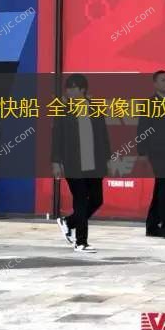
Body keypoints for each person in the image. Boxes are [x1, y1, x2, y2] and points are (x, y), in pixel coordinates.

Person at [52, 74, 111, 253]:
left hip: (94, 163)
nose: (69, 91)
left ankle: (69, 222)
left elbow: (103, 136)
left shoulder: (94, 108)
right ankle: (81, 242)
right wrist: (55, 161)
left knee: (97, 200)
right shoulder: (63, 111)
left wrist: (108, 159)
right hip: (73, 164)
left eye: (73, 88)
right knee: (80, 201)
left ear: (83, 89)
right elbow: (56, 138)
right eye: (68, 88)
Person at [137, 70, 165, 240]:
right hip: (156, 151)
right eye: (162, 80)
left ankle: (152, 226)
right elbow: (142, 128)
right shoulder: (149, 104)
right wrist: (142, 152)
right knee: (164, 187)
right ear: (155, 84)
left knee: (161, 186)